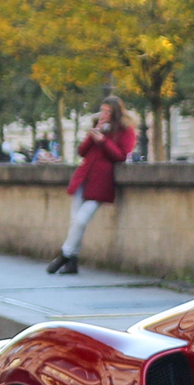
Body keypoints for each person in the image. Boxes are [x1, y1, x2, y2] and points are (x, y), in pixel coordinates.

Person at [47, 97, 136, 275]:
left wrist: (103, 140)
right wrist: (92, 135)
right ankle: (72, 263)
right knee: (75, 221)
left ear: (116, 113)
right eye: (102, 111)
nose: (103, 115)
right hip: (83, 178)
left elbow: (120, 155)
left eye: (107, 112)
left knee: (81, 220)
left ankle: (65, 254)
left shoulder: (126, 131)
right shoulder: (98, 126)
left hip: (101, 182)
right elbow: (82, 152)